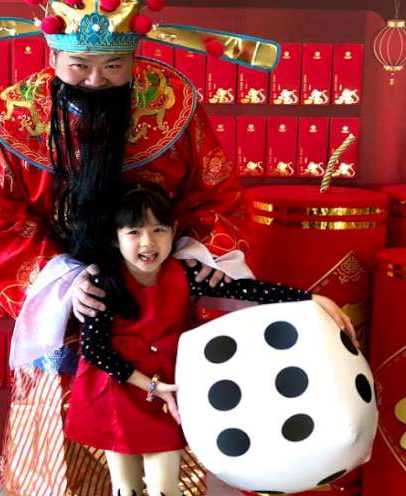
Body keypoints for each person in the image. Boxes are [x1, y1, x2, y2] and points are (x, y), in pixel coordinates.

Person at [0, 0, 304, 496]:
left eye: (113, 66)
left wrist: (180, 263)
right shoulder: (16, 115)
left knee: (162, 412)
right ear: (53, 53)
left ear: (135, 55)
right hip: (69, 290)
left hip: (157, 286)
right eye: (79, 65)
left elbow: (215, 195)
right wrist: (64, 281)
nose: (95, 80)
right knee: (72, 413)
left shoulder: (171, 104)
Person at [63, 182, 355, 496]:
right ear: (116, 237)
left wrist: (311, 298)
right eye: (134, 232)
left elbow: (246, 290)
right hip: (116, 386)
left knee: (164, 488)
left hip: (167, 388)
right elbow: (94, 351)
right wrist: (151, 386)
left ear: (173, 231)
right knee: (125, 487)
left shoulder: (188, 273)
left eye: (159, 230)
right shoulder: (100, 282)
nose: (147, 243)